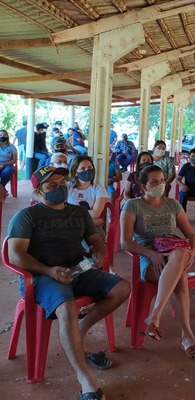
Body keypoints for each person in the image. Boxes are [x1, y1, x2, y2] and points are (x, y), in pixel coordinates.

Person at [7, 165, 131, 399]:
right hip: (41, 277)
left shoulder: (79, 213)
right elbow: (16, 255)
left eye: (63, 183)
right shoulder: (27, 217)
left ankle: (80, 330)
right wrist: (49, 270)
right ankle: (86, 380)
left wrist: (98, 252)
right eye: (52, 185)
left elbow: (95, 239)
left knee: (122, 287)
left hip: (76, 271)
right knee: (68, 307)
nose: (59, 188)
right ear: (37, 193)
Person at [120, 165, 195, 361]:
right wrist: (151, 254)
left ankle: (155, 316)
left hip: (174, 253)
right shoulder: (133, 205)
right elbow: (125, 242)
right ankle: (187, 336)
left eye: (162, 180)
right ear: (143, 186)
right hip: (149, 260)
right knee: (179, 274)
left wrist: (192, 252)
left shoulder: (173, 204)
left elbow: (190, 234)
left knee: (180, 255)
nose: (160, 184)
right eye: (154, 181)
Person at [67, 155, 108, 228]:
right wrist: (92, 221)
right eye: (83, 169)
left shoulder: (99, 189)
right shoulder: (67, 188)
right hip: (70, 228)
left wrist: (71, 216)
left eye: (90, 167)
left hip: (90, 229)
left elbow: (95, 214)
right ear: (75, 172)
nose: (87, 171)